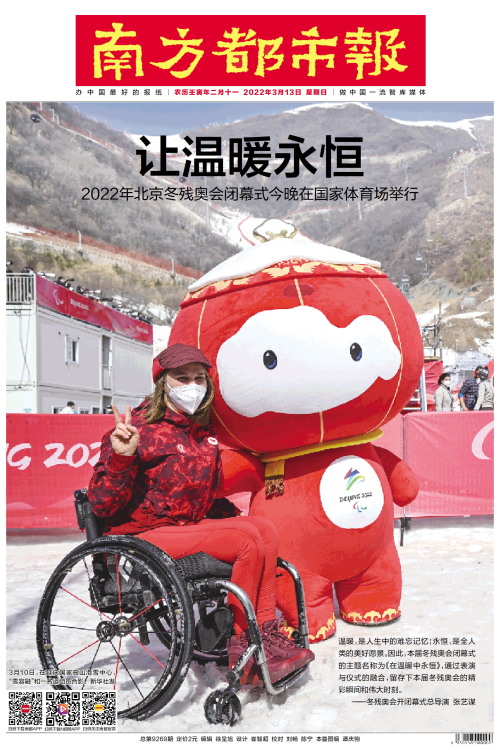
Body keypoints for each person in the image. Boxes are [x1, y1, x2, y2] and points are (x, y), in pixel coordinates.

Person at [88, 342, 314, 685]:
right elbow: (102, 504)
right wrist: (122, 456)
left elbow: (206, 499)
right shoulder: (137, 429)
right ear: (162, 383)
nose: (192, 385)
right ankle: (246, 644)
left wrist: (241, 520)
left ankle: (265, 632)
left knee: (262, 529)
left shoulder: (202, 435)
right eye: (182, 378)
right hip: (141, 537)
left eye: (198, 378)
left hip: (184, 528)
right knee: (246, 540)